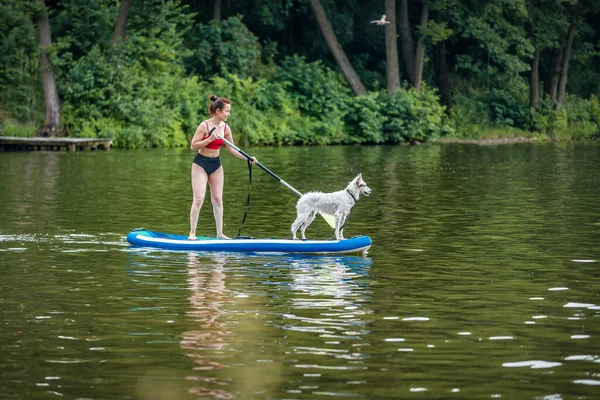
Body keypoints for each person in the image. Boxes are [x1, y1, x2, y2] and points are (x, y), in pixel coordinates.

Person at [188, 94, 257, 240]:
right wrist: (209, 139)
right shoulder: (204, 125)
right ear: (218, 111)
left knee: (218, 199)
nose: (229, 114)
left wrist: (248, 158)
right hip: (200, 164)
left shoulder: (226, 128)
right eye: (227, 111)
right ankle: (192, 233)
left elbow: (232, 149)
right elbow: (193, 146)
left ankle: (220, 233)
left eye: (229, 111)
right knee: (199, 198)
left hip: (216, 165)